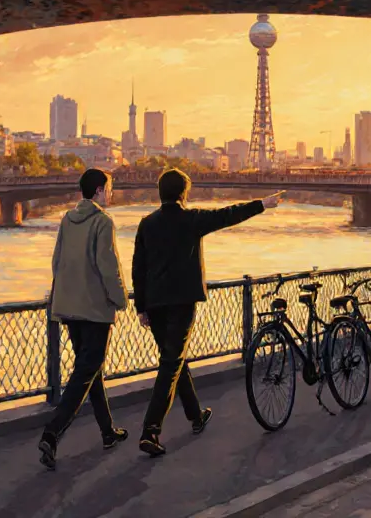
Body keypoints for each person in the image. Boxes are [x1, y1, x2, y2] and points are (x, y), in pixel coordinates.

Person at [132, 168, 283, 456]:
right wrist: (262, 204)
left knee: (175, 360)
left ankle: (196, 416)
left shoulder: (146, 223)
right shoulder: (191, 220)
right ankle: (150, 430)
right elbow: (227, 215)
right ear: (183, 193)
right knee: (171, 363)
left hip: (153, 303)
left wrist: (141, 307)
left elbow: (138, 268)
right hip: (181, 302)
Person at [37, 168, 129, 471]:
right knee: (86, 370)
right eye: (110, 189)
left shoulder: (67, 219)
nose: (111, 194)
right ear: (100, 191)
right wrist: (121, 299)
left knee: (91, 370)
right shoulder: (103, 221)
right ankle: (52, 433)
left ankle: (107, 432)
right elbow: (108, 266)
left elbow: (56, 261)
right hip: (94, 310)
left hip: (69, 307)